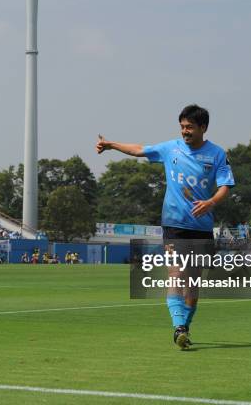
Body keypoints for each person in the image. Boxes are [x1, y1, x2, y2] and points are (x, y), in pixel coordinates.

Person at [97, 104, 235, 349]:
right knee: (176, 274)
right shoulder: (171, 148)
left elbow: (226, 185)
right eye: (182, 127)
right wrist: (111, 145)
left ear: (203, 127)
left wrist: (211, 202)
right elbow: (140, 149)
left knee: (193, 284)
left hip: (201, 227)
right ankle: (178, 327)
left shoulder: (217, 154)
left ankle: (185, 328)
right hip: (174, 225)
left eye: (190, 127)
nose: (185, 131)